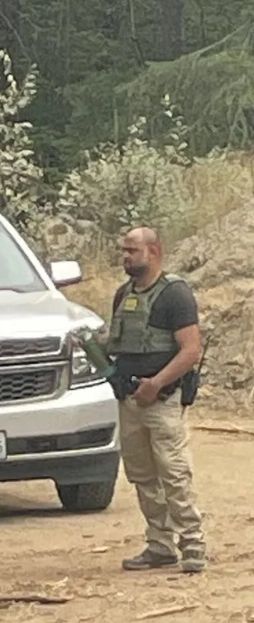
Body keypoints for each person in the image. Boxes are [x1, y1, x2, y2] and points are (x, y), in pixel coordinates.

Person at [108, 227, 206, 573]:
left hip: (162, 399)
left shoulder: (175, 295)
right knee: (143, 475)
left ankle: (192, 543)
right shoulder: (123, 295)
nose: (126, 256)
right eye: (124, 250)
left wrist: (157, 383)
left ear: (154, 251)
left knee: (173, 472)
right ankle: (160, 544)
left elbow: (190, 350)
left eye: (133, 250)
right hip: (131, 399)